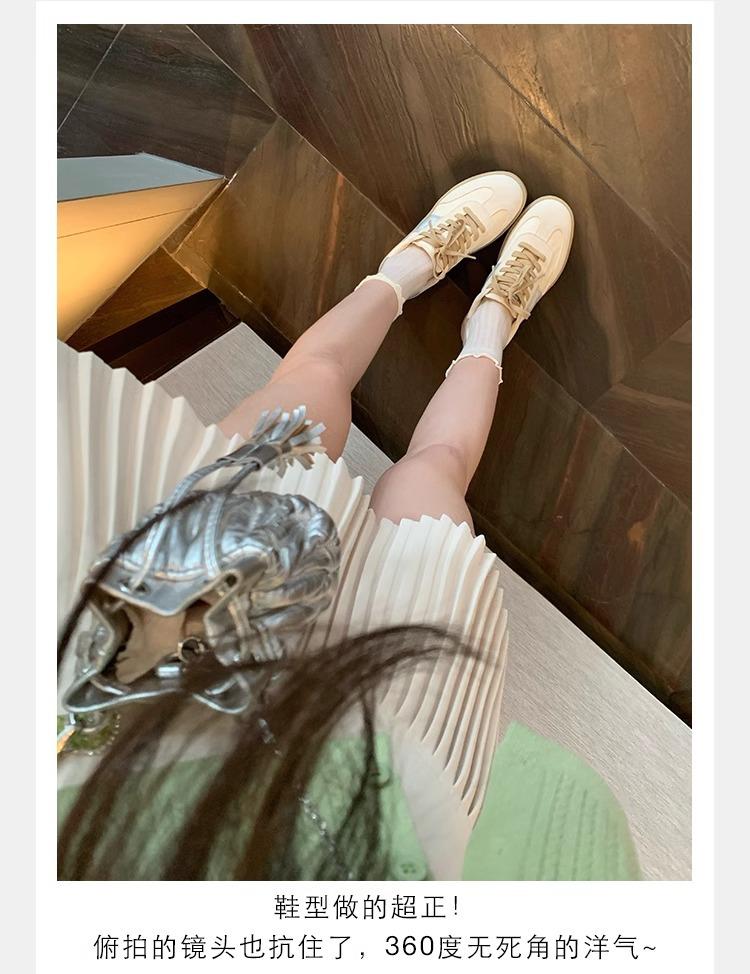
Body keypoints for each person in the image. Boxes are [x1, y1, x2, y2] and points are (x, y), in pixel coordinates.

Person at [57, 173, 641, 881]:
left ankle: (408, 269)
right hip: (347, 798)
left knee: (305, 396)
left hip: (119, 666)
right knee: (432, 479)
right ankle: (491, 326)